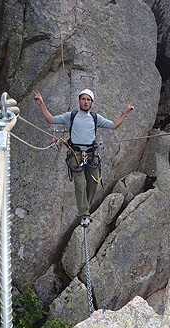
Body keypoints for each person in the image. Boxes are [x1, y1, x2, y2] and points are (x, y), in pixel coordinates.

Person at [33, 89, 135, 227]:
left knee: (93, 183)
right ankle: (84, 214)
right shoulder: (71, 116)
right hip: (76, 155)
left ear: (91, 102)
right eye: (83, 99)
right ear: (79, 101)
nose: (86, 102)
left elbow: (114, 125)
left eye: (88, 100)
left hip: (91, 155)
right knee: (80, 184)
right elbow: (50, 119)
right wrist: (41, 104)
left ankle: (83, 208)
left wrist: (126, 112)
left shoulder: (95, 117)